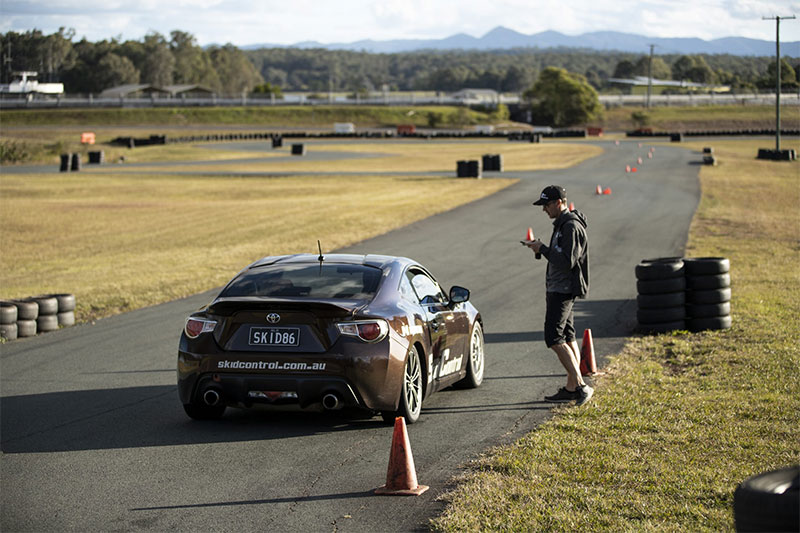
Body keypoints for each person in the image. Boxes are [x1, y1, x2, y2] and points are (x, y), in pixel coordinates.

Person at [524, 185, 593, 406]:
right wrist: (540, 250)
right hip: (559, 288)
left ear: (559, 203)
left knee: (553, 338)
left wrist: (543, 249)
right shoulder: (563, 225)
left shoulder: (570, 227)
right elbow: (560, 256)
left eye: (546, 204)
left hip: (562, 290)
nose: (544, 209)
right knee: (568, 336)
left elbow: (567, 262)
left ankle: (582, 387)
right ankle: (571, 388)